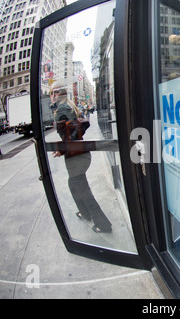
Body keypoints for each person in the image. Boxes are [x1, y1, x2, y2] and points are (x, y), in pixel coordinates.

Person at [50, 80, 112, 233]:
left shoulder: (63, 108)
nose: (51, 96)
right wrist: (63, 149)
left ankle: (103, 224)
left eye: (53, 92)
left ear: (59, 94)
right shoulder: (68, 106)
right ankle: (86, 213)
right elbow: (74, 133)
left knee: (82, 189)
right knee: (75, 186)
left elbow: (73, 133)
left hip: (76, 157)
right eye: (51, 93)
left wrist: (63, 149)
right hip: (77, 154)